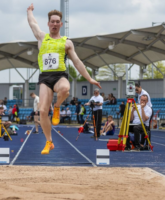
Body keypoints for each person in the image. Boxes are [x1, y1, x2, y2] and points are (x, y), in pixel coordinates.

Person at [27, 4, 101, 154]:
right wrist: (29, 11)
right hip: (45, 77)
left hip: (60, 75)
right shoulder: (42, 37)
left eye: (57, 22)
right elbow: (32, 23)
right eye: (52, 21)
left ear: (61, 24)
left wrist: (89, 79)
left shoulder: (67, 42)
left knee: (65, 89)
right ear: (48, 23)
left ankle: (57, 107)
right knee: (42, 111)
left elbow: (77, 62)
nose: (54, 24)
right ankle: (49, 142)